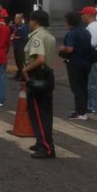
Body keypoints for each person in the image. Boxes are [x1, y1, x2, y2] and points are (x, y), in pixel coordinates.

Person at [22, 9, 57, 159]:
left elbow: (40, 58)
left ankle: (46, 148)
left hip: (38, 76)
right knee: (44, 112)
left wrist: (25, 70)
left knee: (39, 114)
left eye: (29, 21)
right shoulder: (48, 35)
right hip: (47, 76)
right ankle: (40, 141)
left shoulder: (37, 37)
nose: (28, 23)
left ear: (34, 21)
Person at [59, 12, 92, 120]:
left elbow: (70, 49)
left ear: (69, 22)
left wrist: (62, 48)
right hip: (86, 62)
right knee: (83, 87)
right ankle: (83, 109)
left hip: (75, 63)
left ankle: (80, 112)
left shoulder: (72, 33)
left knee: (77, 88)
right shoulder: (86, 31)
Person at [81, 6, 97, 115]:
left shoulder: (93, 26)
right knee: (92, 83)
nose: (81, 17)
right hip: (94, 58)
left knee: (94, 83)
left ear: (88, 15)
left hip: (93, 58)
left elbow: (93, 43)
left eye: (83, 14)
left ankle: (96, 107)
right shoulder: (94, 25)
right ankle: (92, 106)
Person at [11, 13, 29, 80]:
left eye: (17, 18)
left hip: (21, 46)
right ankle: (19, 73)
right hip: (16, 45)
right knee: (17, 61)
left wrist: (17, 37)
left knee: (21, 61)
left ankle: (23, 75)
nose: (15, 20)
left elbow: (25, 37)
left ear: (20, 19)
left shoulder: (24, 26)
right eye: (15, 18)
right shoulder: (15, 26)